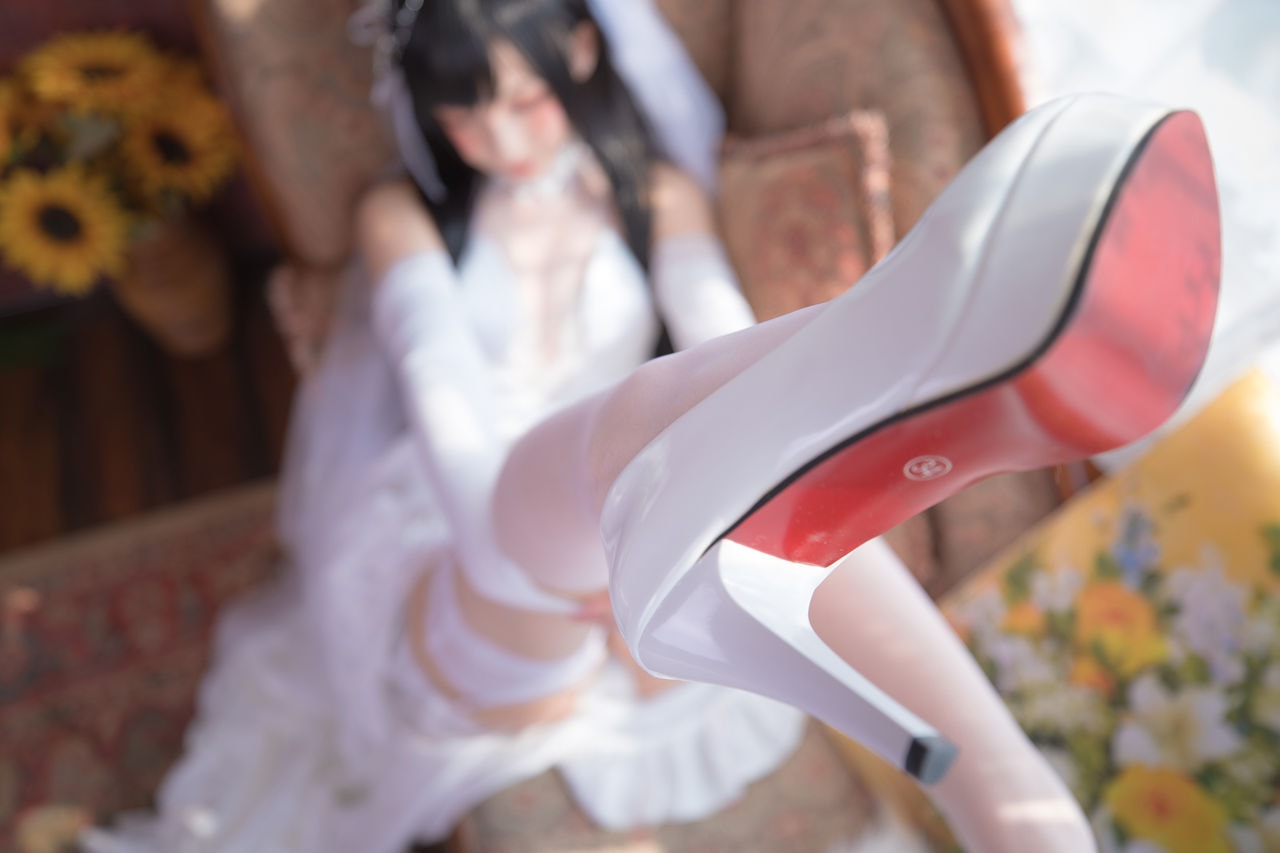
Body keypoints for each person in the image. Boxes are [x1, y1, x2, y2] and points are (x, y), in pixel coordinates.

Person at [84, 1, 1223, 851]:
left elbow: (715, 330)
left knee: (712, 457)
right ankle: (909, 336)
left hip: (653, 505)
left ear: (580, 53)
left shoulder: (655, 194)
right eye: (462, 110)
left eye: (520, 96)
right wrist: (568, 569)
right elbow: (447, 406)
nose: (497, 135)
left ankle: (1013, 808)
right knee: (616, 460)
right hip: (472, 555)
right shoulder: (401, 217)